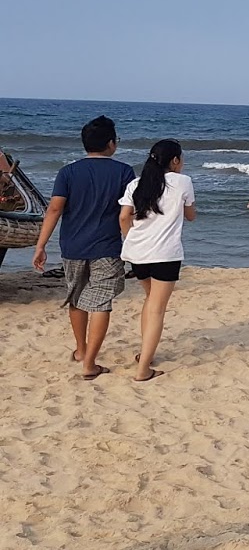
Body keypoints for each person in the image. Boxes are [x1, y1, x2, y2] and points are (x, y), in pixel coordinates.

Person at [32, 116, 136, 380]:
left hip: (72, 246)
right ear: (111, 143)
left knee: (76, 298)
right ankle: (89, 363)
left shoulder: (68, 172)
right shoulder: (124, 172)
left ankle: (81, 350)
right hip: (107, 246)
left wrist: (40, 245)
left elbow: (54, 209)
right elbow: (129, 213)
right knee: (101, 303)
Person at [119, 139, 197, 383]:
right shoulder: (183, 182)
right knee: (157, 309)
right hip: (165, 254)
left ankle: (146, 354)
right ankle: (143, 369)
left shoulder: (136, 184)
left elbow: (124, 217)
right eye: (181, 158)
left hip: (138, 254)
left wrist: (130, 239)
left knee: (150, 302)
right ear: (175, 161)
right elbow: (191, 216)